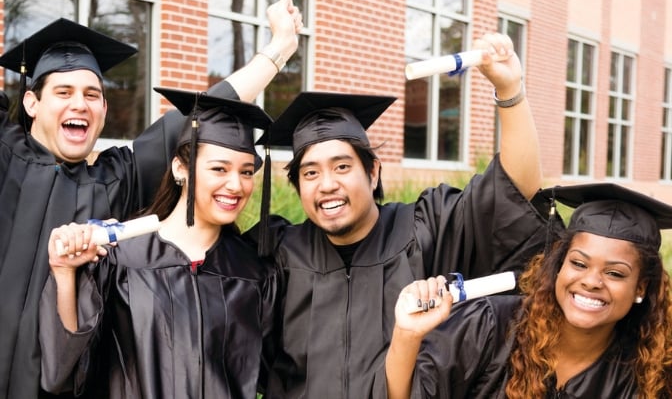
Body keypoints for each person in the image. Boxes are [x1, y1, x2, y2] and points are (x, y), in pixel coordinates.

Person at [0, 0, 301, 399]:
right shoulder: (4, 156)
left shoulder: (115, 179)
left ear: (105, 109)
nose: (80, 104)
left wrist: (279, 48)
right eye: (64, 91)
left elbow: (200, 112)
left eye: (92, 94)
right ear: (31, 102)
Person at [253, 32, 551, 397]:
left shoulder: (427, 227)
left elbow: (512, 192)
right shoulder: (278, 253)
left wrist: (510, 92)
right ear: (298, 186)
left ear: (373, 172)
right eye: (310, 173)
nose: (326, 184)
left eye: (342, 167)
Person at [39, 88, 280, 398]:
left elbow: (273, 375)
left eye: (246, 172)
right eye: (219, 168)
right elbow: (62, 373)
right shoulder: (120, 257)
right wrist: (63, 274)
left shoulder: (254, 271)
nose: (236, 185)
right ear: (180, 167)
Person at [383, 182, 672, 399]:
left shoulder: (648, 372)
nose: (592, 281)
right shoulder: (489, 327)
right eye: (579, 264)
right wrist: (406, 335)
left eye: (614, 273)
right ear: (559, 266)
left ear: (641, 287)